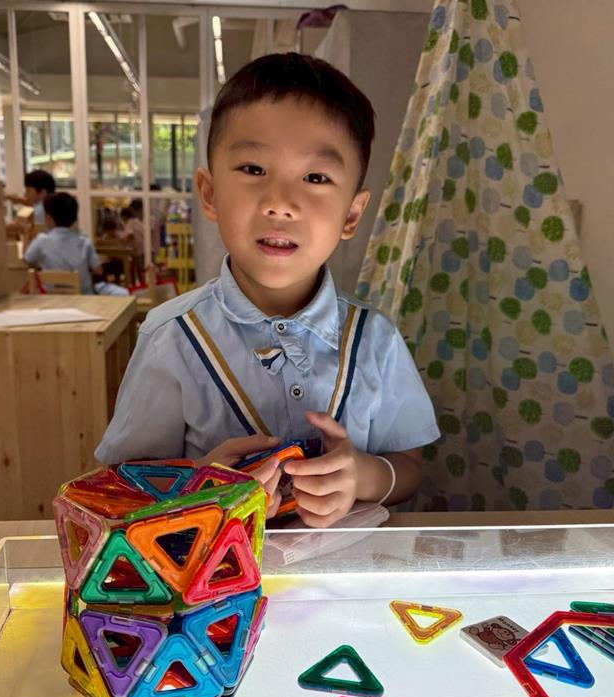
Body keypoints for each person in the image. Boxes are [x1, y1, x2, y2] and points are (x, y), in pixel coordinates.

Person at [95, 53, 438, 527]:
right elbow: (123, 486)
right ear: (210, 193)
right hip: (212, 570)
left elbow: (409, 468)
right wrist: (199, 486)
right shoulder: (171, 336)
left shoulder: (375, 339)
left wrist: (363, 476)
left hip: (348, 569)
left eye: (316, 177)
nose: (280, 203)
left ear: (352, 214)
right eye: (253, 169)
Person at [23, 192, 100, 294]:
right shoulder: (84, 241)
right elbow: (98, 270)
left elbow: (27, 259)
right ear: (75, 219)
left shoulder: (42, 241)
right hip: (83, 297)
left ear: (48, 218)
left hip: (52, 298)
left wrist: (26, 234)